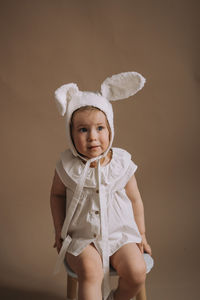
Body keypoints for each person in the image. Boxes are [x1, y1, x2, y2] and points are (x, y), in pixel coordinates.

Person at [50, 72, 152, 300]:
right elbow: (57, 196)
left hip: (120, 236)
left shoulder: (121, 163)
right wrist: (58, 231)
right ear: (70, 133)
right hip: (82, 238)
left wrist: (142, 234)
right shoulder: (67, 166)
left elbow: (135, 199)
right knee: (91, 271)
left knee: (137, 272)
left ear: (110, 128)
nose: (93, 137)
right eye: (83, 130)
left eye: (100, 128)